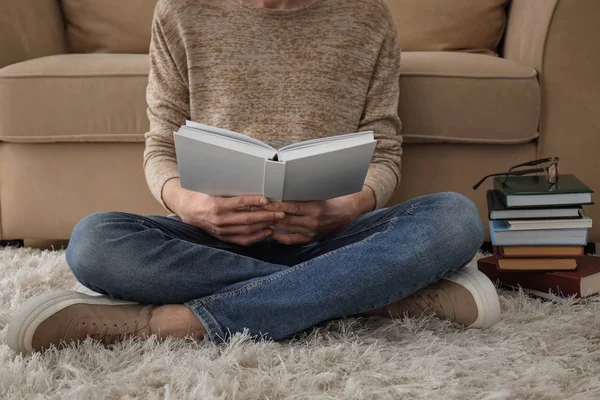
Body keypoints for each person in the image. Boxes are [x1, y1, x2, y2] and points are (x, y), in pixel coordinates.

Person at [7, 0, 500, 354]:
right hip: (209, 242)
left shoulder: (366, 15)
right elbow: (160, 146)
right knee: (95, 240)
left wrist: (346, 208)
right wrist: (191, 205)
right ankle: (375, 297)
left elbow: (385, 151)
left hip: (334, 236)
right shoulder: (180, 12)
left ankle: (178, 324)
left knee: (455, 218)